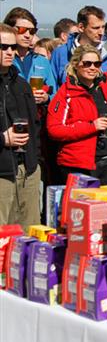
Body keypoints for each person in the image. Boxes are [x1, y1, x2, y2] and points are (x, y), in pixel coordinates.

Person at [47, 45, 107, 185]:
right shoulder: (66, 93)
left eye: (97, 64)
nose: (92, 68)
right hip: (79, 164)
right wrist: (91, 127)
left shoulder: (104, 89)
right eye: (87, 63)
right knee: (85, 206)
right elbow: (54, 130)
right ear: (76, 64)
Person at [0, 23, 41, 229]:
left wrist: (35, 160)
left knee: (29, 237)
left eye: (12, 47)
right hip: (2, 172)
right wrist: (3, 138)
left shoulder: (21, 83)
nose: (9, 52)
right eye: (3, 47)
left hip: (28, 168)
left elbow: (34, 125)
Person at [51, 5, 107, 103]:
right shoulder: (61, 53)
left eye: (103, 27)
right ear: (81, 27)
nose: (101, 32)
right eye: (96, 28)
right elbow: (52, 86)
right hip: (69, 113)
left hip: (102, 113)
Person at [3, 7, 56, 103]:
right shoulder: (4, 59)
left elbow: (55, 94)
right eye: (22, 30)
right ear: (9, 28)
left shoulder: (42, 61)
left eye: (32, 31)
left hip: (35, 114)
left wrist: (46, 98)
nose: (27, 35)